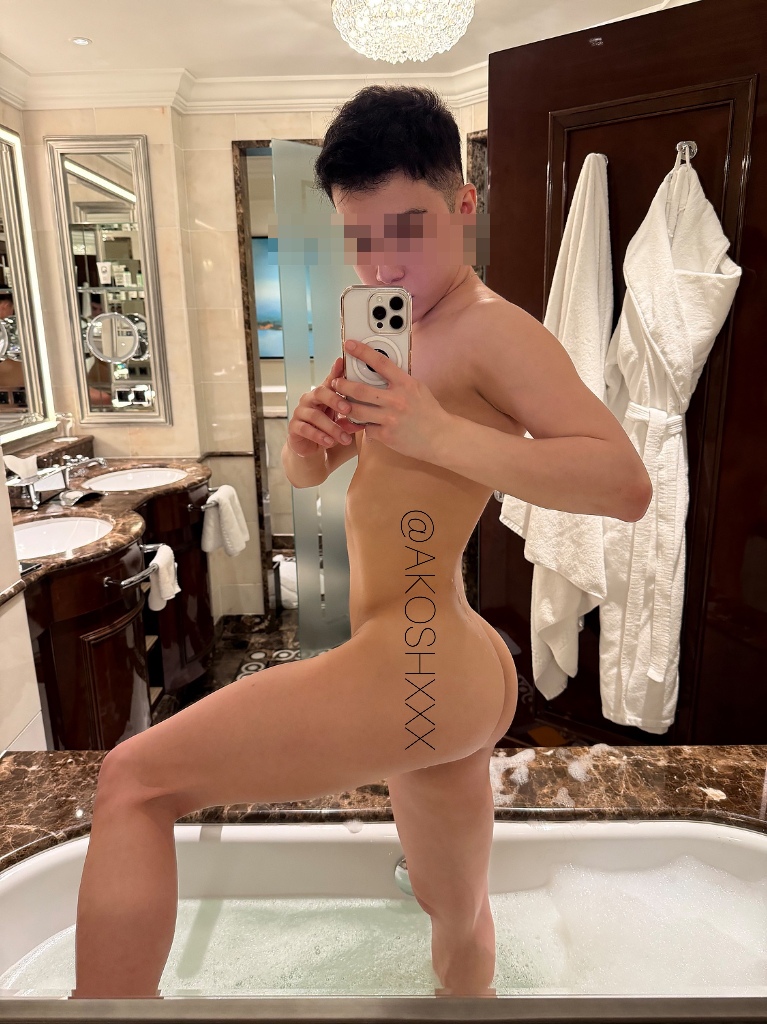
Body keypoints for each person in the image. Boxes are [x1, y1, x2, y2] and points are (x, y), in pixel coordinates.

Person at [70, 86, 651, 1000]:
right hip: (440, 663)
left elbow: (623, 485)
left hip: (416, 663)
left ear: (463, 204)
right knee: (453, 912)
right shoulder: (399, 331)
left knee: (133, 782)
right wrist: (310, 446)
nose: (383, 260)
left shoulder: (494, 332)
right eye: (360, 236)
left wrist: (437, 434)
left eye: (406, 228)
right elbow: (325, 476)